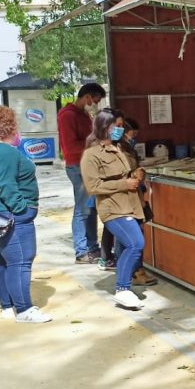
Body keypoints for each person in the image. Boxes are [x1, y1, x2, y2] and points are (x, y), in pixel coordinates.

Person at [0, 105, 52, 324]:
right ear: (7, 126)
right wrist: (22, 210)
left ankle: (7, 305)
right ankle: (24, 309)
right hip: (8, 213)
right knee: (21, 260)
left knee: (3, 260)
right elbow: (6, 185)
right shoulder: (4, 151)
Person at [81, 108, 147, 311]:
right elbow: (93, 187)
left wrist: (136, 175)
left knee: (132, 245)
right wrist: (124, 184)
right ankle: (122, 289)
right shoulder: (91, 154)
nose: (120, 129)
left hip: (130, 205)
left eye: (121, 126)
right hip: (112, 208)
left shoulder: (118, 148)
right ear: (105, 126)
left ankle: (124, 288)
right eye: (117, 126)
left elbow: (125, 173)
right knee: (135, 243)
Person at [98, 117, 158, 285]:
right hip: (121, 200)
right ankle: (131, 274)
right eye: (117, 126)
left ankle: (131, 273)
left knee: (130, 238)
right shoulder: (110, 149)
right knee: (128, 240)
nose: (134, 136)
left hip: (132, 198)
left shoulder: (126, 147)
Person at [58, 83, 106, 264]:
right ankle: (81, 251)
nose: (96, 105)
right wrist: (95, 144)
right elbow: (70, 146)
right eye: (95, 101)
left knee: (91, 208)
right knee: (82, 209)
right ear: (87, 97)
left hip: (88, 165)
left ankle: (92, 247)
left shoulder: (83, 115)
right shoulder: (68, 115)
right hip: (77, 166)